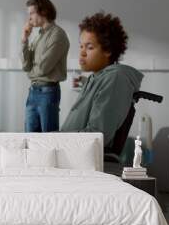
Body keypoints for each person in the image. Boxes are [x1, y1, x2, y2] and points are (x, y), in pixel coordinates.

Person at [61, 12, 144, 147]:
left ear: (108, 50)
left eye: (89, 47)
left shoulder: (115, 78)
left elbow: (97, 134)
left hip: (77, 153)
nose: (82, 52)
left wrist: (56, 139)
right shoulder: (96, 77)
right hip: (67, 148)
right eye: (81, 46)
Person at [21, 0, 70, 132]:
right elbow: (26, 65)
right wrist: (24, 39)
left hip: (48, 93)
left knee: (48, 140)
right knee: (30, 140)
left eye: (31, 13)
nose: (29, 18)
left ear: (43, 12)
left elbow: (43, 68)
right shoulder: (38, 36)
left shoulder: (58, 35)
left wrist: (31, 73)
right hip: (33, 92)